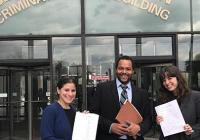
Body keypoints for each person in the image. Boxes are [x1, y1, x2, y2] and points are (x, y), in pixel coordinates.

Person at [89, 55, 152, 140]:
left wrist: (139, 128)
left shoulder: (142, 93)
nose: (124, 72)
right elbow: (93, 115)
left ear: (133, 71)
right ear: (116, 70)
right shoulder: (102, 89)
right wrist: (111, 126)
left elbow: (148, 119)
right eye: (121, 68)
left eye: (128, 69)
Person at [156, 65, 200, 140]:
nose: (166, 82)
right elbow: (160, 129)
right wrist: (158, 122)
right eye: (164, 80)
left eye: (170, 78)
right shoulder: (161, 100)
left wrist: (191, 130)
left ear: (178, 78)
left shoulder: (195, 96)